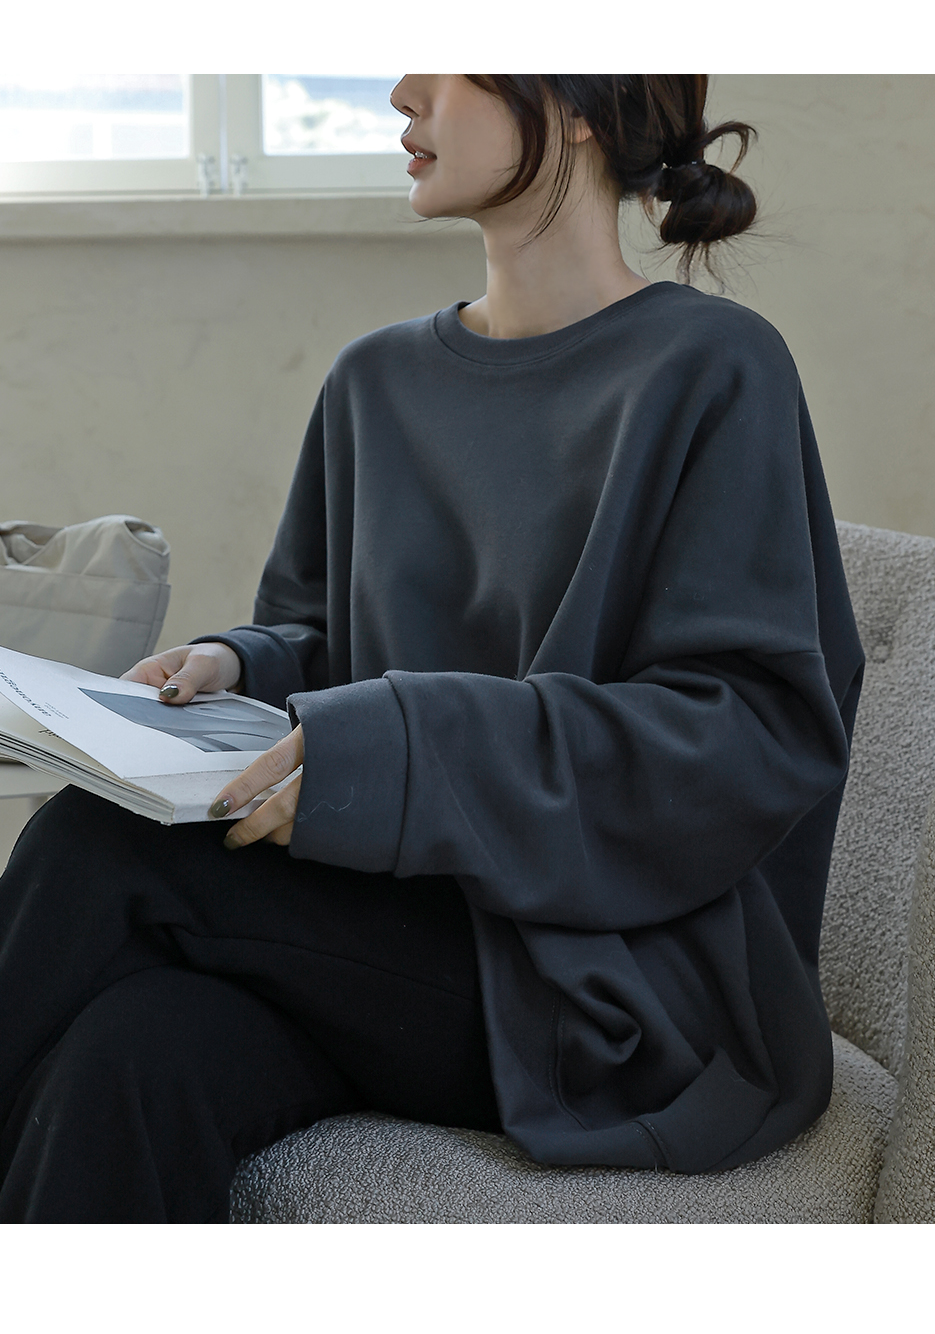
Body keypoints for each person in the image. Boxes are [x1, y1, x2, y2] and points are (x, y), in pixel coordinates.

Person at [0, 75, 863, 1222]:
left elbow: (749, 734)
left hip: (591, 975)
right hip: (373, 923)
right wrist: (242, 665)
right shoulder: (374, 381)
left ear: (578, 104)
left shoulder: (711, 369)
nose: (402, 90)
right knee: (132, 1054)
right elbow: (330, 647)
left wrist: (407, 741)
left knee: (103, 845)